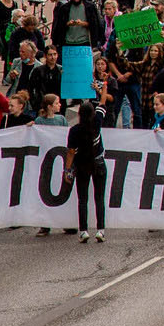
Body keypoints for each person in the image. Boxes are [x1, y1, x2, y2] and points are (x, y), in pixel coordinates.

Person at [67, 100, 107, 242]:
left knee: (83, 199)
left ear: (79, 114)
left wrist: (68, 170)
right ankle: (100, 230)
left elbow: (71, 151)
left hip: (82, 165)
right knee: (99, 198)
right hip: (98, 163)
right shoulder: (97, 123)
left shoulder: (74, 130)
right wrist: (104, 85)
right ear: (93, 113)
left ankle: (83, 230)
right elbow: (102, 103)